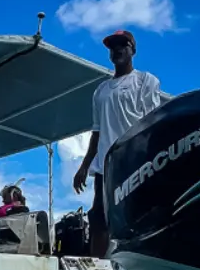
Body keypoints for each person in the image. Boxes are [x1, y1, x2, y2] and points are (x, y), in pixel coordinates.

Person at [72, 29, 168, 258]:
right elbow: (97, 131)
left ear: (132, 50)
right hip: (105, 164)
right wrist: (84, 166)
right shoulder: (101, 91)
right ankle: (98, 267)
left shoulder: (146, 81)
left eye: (122, 45)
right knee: (98, 217)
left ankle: (139, 265)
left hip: (135, 161)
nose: (117, 50)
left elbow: (152, 123)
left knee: (136, 215)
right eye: (112, 47)